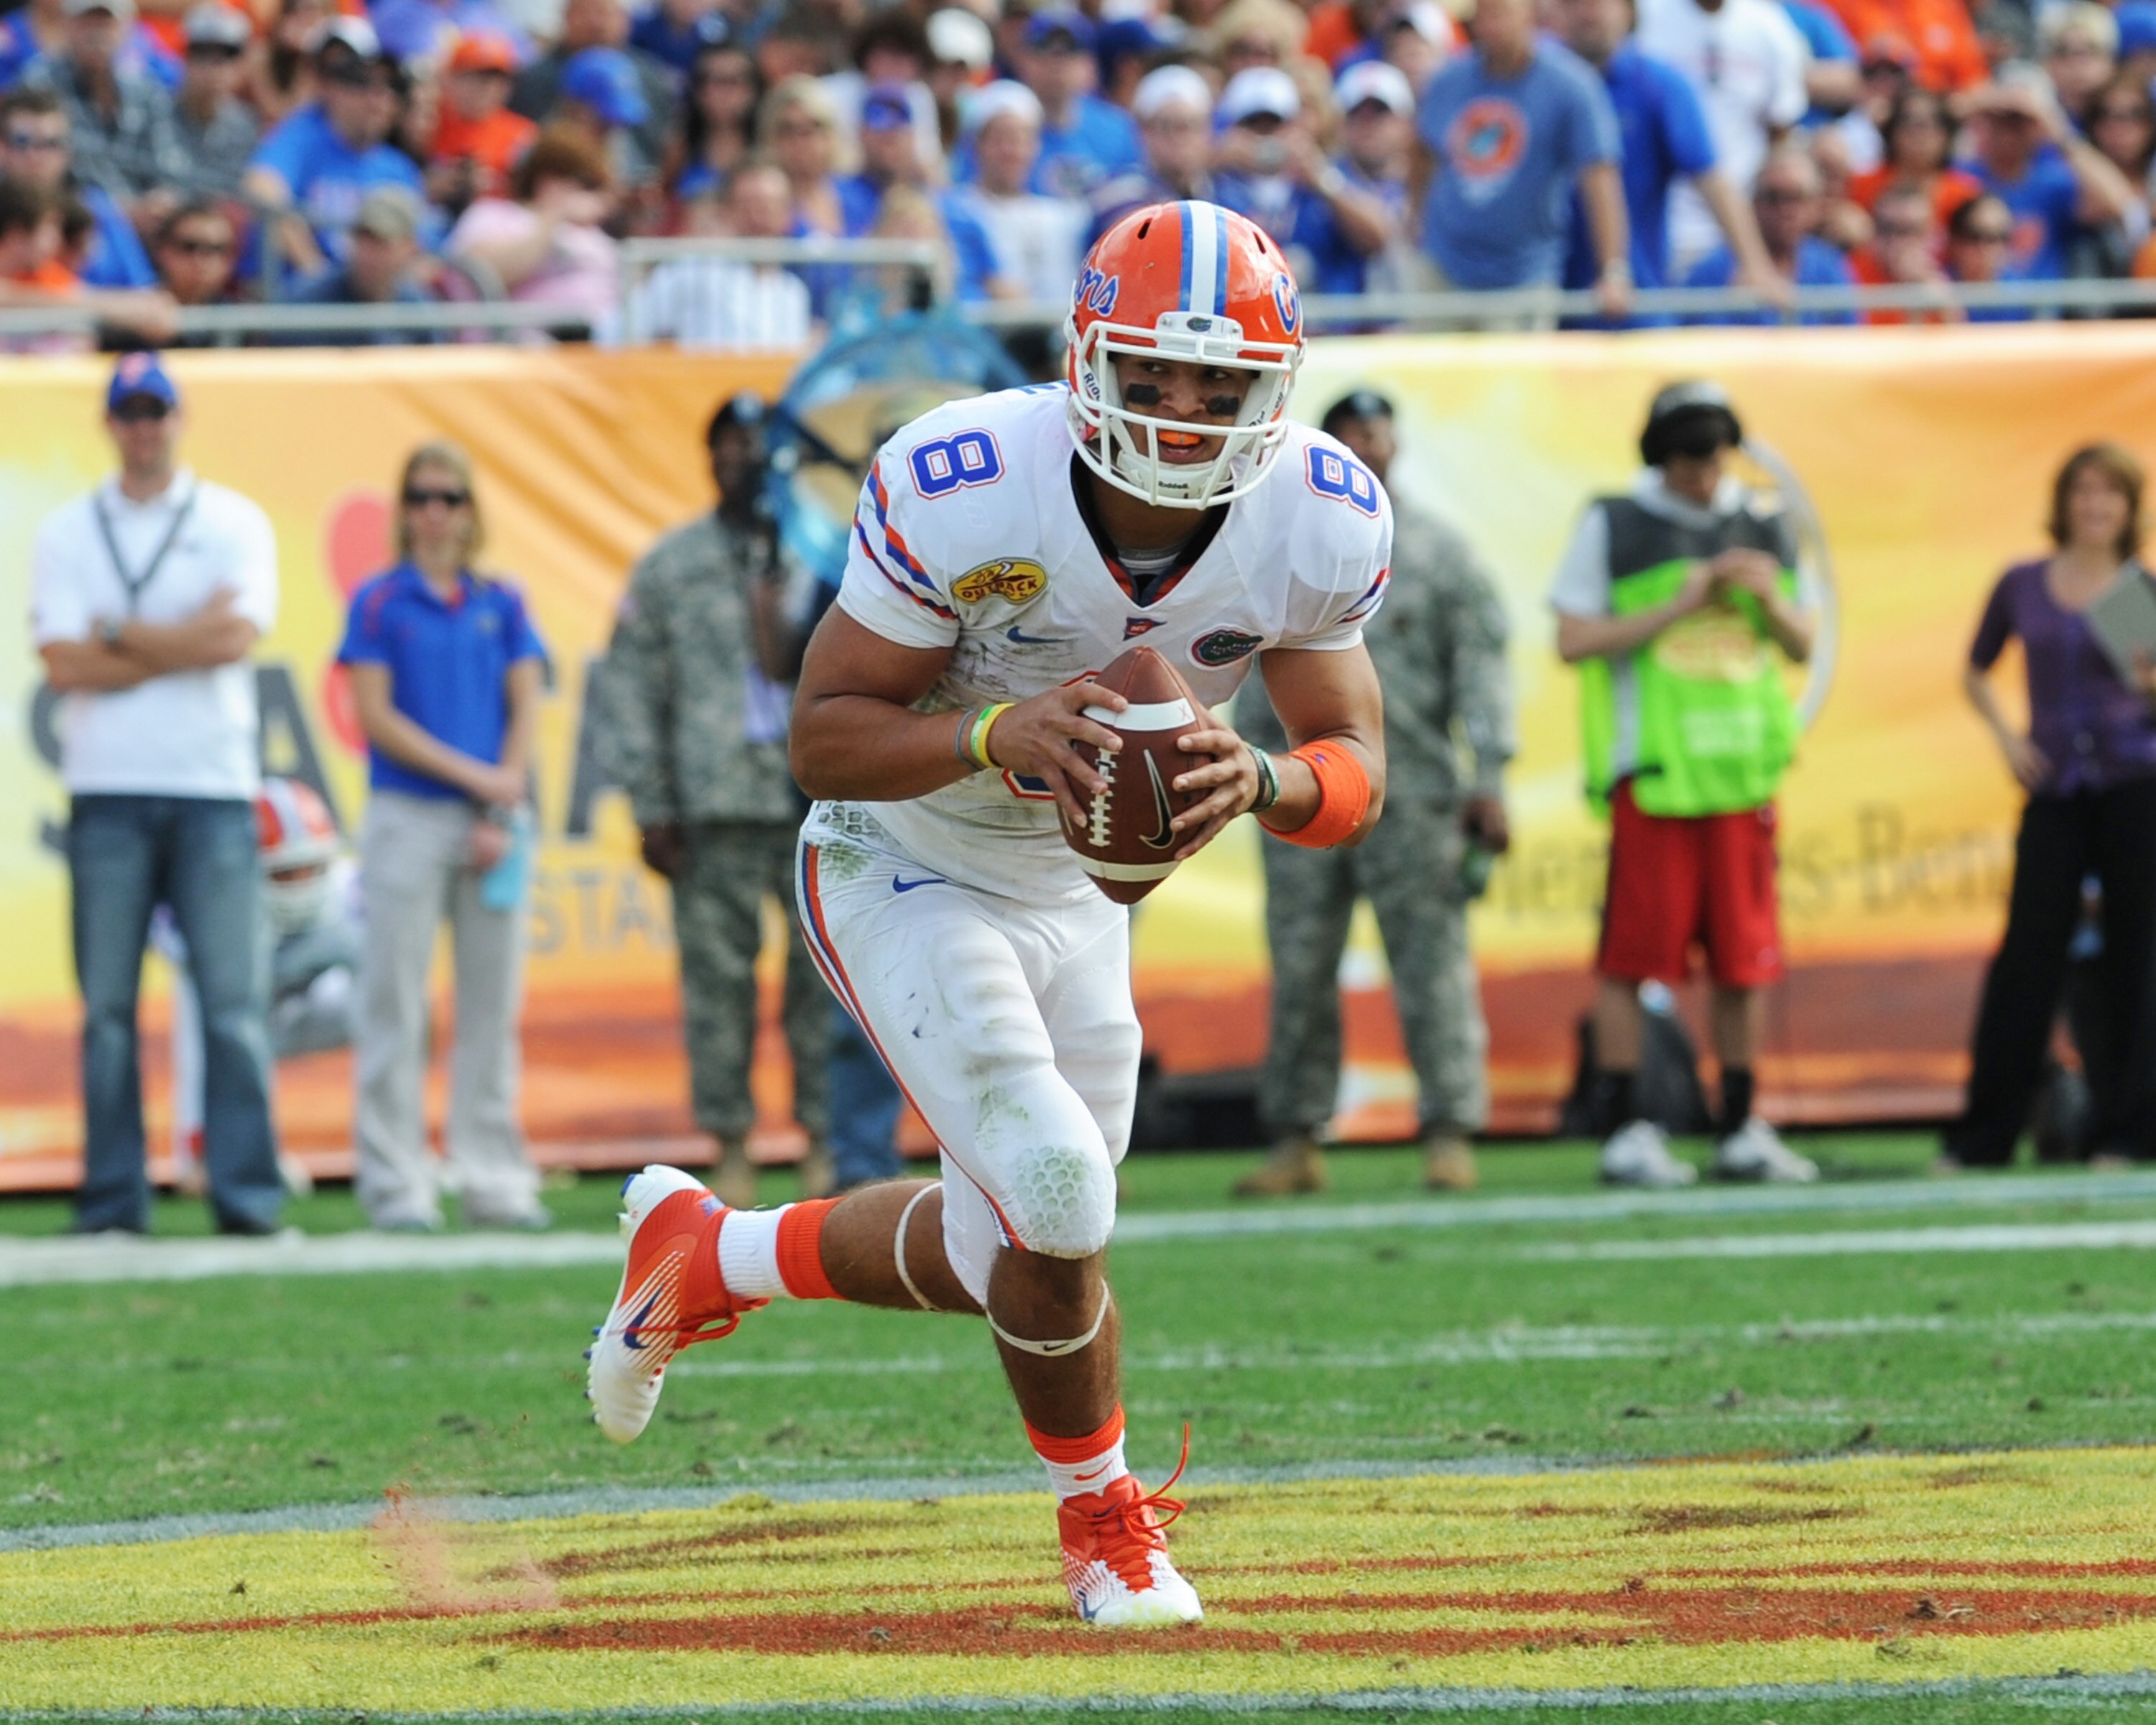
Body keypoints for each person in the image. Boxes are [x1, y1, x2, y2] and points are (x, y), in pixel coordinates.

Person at [586, 201, 1390, 1629]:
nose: (1185, 412)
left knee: (1011, 1247)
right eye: (1152, 375)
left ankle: (714, 1253)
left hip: (1073, 895)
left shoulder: (1318, 515)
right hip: (903, 854)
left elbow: (1353, 769)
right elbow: (826, 734)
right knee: (1060, 1198)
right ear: (1088, 360)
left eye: (1219, 385)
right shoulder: (968, 480)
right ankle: (1106, 1533)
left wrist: (1258, 774)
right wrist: (992, 733)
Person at [1235, 389, 1512, 1198]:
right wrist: (1249, 774)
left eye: (1377, 429)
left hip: (1417, 794)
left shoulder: (1436, 554)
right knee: (1299, 964)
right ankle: (1295, 1137)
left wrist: (1489, 775)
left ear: (1394, 442)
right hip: (1296, 787)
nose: (1367, 440)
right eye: (1350, 431)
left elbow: (1482, 668)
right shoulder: (1278, 549)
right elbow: (1243, 667)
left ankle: (1450, 1131)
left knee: (1431, 967)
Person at [29, 353, 283, 1237]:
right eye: (129, 412)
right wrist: (179, 638)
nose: (144, 427)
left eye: (156, 411)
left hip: (210, 784)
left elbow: (237, 635)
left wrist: (119, 635)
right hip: (107, 787)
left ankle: (247, 1198)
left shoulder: (231, 519)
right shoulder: (69, 530)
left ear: (178, 419)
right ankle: (112, 1201)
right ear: (111, 424)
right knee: (105, 1009)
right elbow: (64, 664)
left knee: (233, 1003)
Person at [1550, 380, 1818, 1188]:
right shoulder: (1614, 520)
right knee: (1633, 959)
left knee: (1746, 960)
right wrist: (1683, 601)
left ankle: (1740, 1122)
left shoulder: (1765, 523)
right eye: (1689, 456)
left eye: (1714, 454)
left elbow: (1803, 641)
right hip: (1656, 774)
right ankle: (1625, 1126)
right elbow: (1572, 639)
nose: (1705, 472)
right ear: (1661, 456)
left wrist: (1766, 597)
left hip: (1740, 774)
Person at [597, 394, 834, 1208]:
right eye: (727, 445)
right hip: (714, 800)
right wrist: (652, 803)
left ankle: (823, 1141)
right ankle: (730, 1141)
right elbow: (633, 689)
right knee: (718, 985)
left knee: (828, 981)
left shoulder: (825, 553)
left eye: (757, 444)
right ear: (709, 460)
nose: (743, 458)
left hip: (819, 799)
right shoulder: (671, 566)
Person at [338, 442, 550, 1233]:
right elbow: (377, 718)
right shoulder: (379, 601)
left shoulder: (501, 598)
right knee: (395, 1000)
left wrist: (502, 797)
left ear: (470, 510)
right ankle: (397, 1182)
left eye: (449, 497)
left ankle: (493, 1175)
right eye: (422, 496)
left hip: (490, 814)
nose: (435, 512)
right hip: (410, 813)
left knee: (491, 1006)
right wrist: (479, 777)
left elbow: (527, 700)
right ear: (403, 510)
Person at [1948, 445, 2156, 1168]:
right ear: (2062, 501)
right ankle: (1985, 1132)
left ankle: (2130, 1131)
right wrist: (2008, 740)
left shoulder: (2138, 592)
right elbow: (1975, 670)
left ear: (2129, 509)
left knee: (2140, 955)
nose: (2094, 506)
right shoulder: (2024, 584)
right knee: (2027, 957)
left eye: (2110, 495)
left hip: (2133, 784)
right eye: (2083, 492)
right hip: (2056, 786)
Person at [1553, 0, 1784, 299]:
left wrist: (1754, 264)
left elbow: (1711, 177)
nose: (1588, 12)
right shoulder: (1536, 80)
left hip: (1633, 293)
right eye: (1576, 4)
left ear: (1629, 12)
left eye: (1602, 3)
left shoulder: (1659, 85)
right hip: (1540, 287)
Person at [1414, 0, 1631, 317]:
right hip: (1445, 267)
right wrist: (1416, 222)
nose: (1491, 26)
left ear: (1531, 15)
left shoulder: (1570, 86)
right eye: (1483, 15)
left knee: (1516, 368)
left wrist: (1613, 271)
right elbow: (1424, 153)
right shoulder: (1448, 81)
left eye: (1501, 13)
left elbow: (1600, 178)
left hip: (1523, 277)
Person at [243, 19, 427, 285]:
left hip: (371, 302)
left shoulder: (398, 167)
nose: (378, 99)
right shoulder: (301, 135)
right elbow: (261, 190)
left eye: (390, 87)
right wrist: (319, 275)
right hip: (302, 302)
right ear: (330, 87)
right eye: (361, 83)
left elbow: (423, 251)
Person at [1635, 0, 1809, 272]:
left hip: (1743, 230)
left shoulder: (1769, 25)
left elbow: (1781, 133)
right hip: (1659, 225)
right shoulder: (1646, 16)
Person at [1211, 65, 1396, 295]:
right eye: (1253, 125)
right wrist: (1214, 161)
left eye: (1274, 124)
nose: (1265, 136)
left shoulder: (1325, 174)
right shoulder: (1217, 185)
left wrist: (1321, 180)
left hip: (1331, 324)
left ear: (1295, 125)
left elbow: (1379, 238)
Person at [609, 158, 812, 343]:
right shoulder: (694, 270)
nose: (759, 217)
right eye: (748, 205)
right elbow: (621, 329)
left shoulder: (793, 293)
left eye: (769, 206)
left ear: (788, 215)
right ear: (728, 211)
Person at [1964, 70, 2138, 284]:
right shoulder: (1965, 178)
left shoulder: (2051, 183)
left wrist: (2058, 131)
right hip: (1971, 311)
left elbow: (2119, 202)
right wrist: (1980, 104)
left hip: (2040, 312)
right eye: (2001, 118)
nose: (2010, 129)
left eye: (2021, 120)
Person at [24, 0, 188, 211]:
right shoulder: (41, 82)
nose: (96, 34)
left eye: (105, 23)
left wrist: (161, 201)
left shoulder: (147, 91)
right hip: (73, 213)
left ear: (127, 29)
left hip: (147, 222)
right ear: (66, 26)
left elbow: (172, 168)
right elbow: (52, 169)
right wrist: (121, 211)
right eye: (87, 23)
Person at [448, 126, 618, 325]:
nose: (592, 198)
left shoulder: (593, 236)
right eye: (588, 185)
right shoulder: (491, 214)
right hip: (522, 345)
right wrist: (555, 215)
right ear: (547, 179)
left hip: (608, 342)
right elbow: (484, 275)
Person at [944, 80, 1089, 304]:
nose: (1012, 151)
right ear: (977, 145)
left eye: (1022, 138)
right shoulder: (956, 210)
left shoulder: (1064, 215)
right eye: (1000, 139)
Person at [1685, 145, 1857, 322]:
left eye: (1797, 197)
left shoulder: (1830, 268)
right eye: (1773, 197)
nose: (1785, 209)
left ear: (1816, 204)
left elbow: (1851, 339)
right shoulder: (1712, 271)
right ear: (1754, 203)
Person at [275, 183, 439, 339]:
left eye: (381, 242)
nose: (368, 254)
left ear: (409, 248)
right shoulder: (309, 305)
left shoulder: (418, 311)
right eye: (362, 239)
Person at [1012, 9, 1142, 200]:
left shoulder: (1117, 129)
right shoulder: (1001, 129)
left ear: (1090, 65)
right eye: (1043, 48)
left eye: (1070, 50)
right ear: (1023, 61)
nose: (1056, 62)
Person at [1087, 64, 1218, 240]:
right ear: (1143, 131)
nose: (1179, 138)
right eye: (1167, 126)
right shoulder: (1120, 192)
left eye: (1190, 126)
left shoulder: (1220, 190)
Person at [425, 30, 536, 213]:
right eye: (476, 78)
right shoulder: (429, 120)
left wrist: (495, 185)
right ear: (451, 78)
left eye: (497, 80)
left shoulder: (523, 134)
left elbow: (532, 195)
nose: (487, 88)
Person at [1843, 85, 1979, 230]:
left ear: (1947, 135)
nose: (1920, 133)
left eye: (1934, 122)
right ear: (1892, 131)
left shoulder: (1965, 195)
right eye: (1908, 121)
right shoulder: (1861, 187)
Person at [170, 4, 258, 200]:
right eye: (202, 54)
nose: (214, 68)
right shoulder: (155, 111)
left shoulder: (245, 125)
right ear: (184, 58)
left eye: (227, 56)